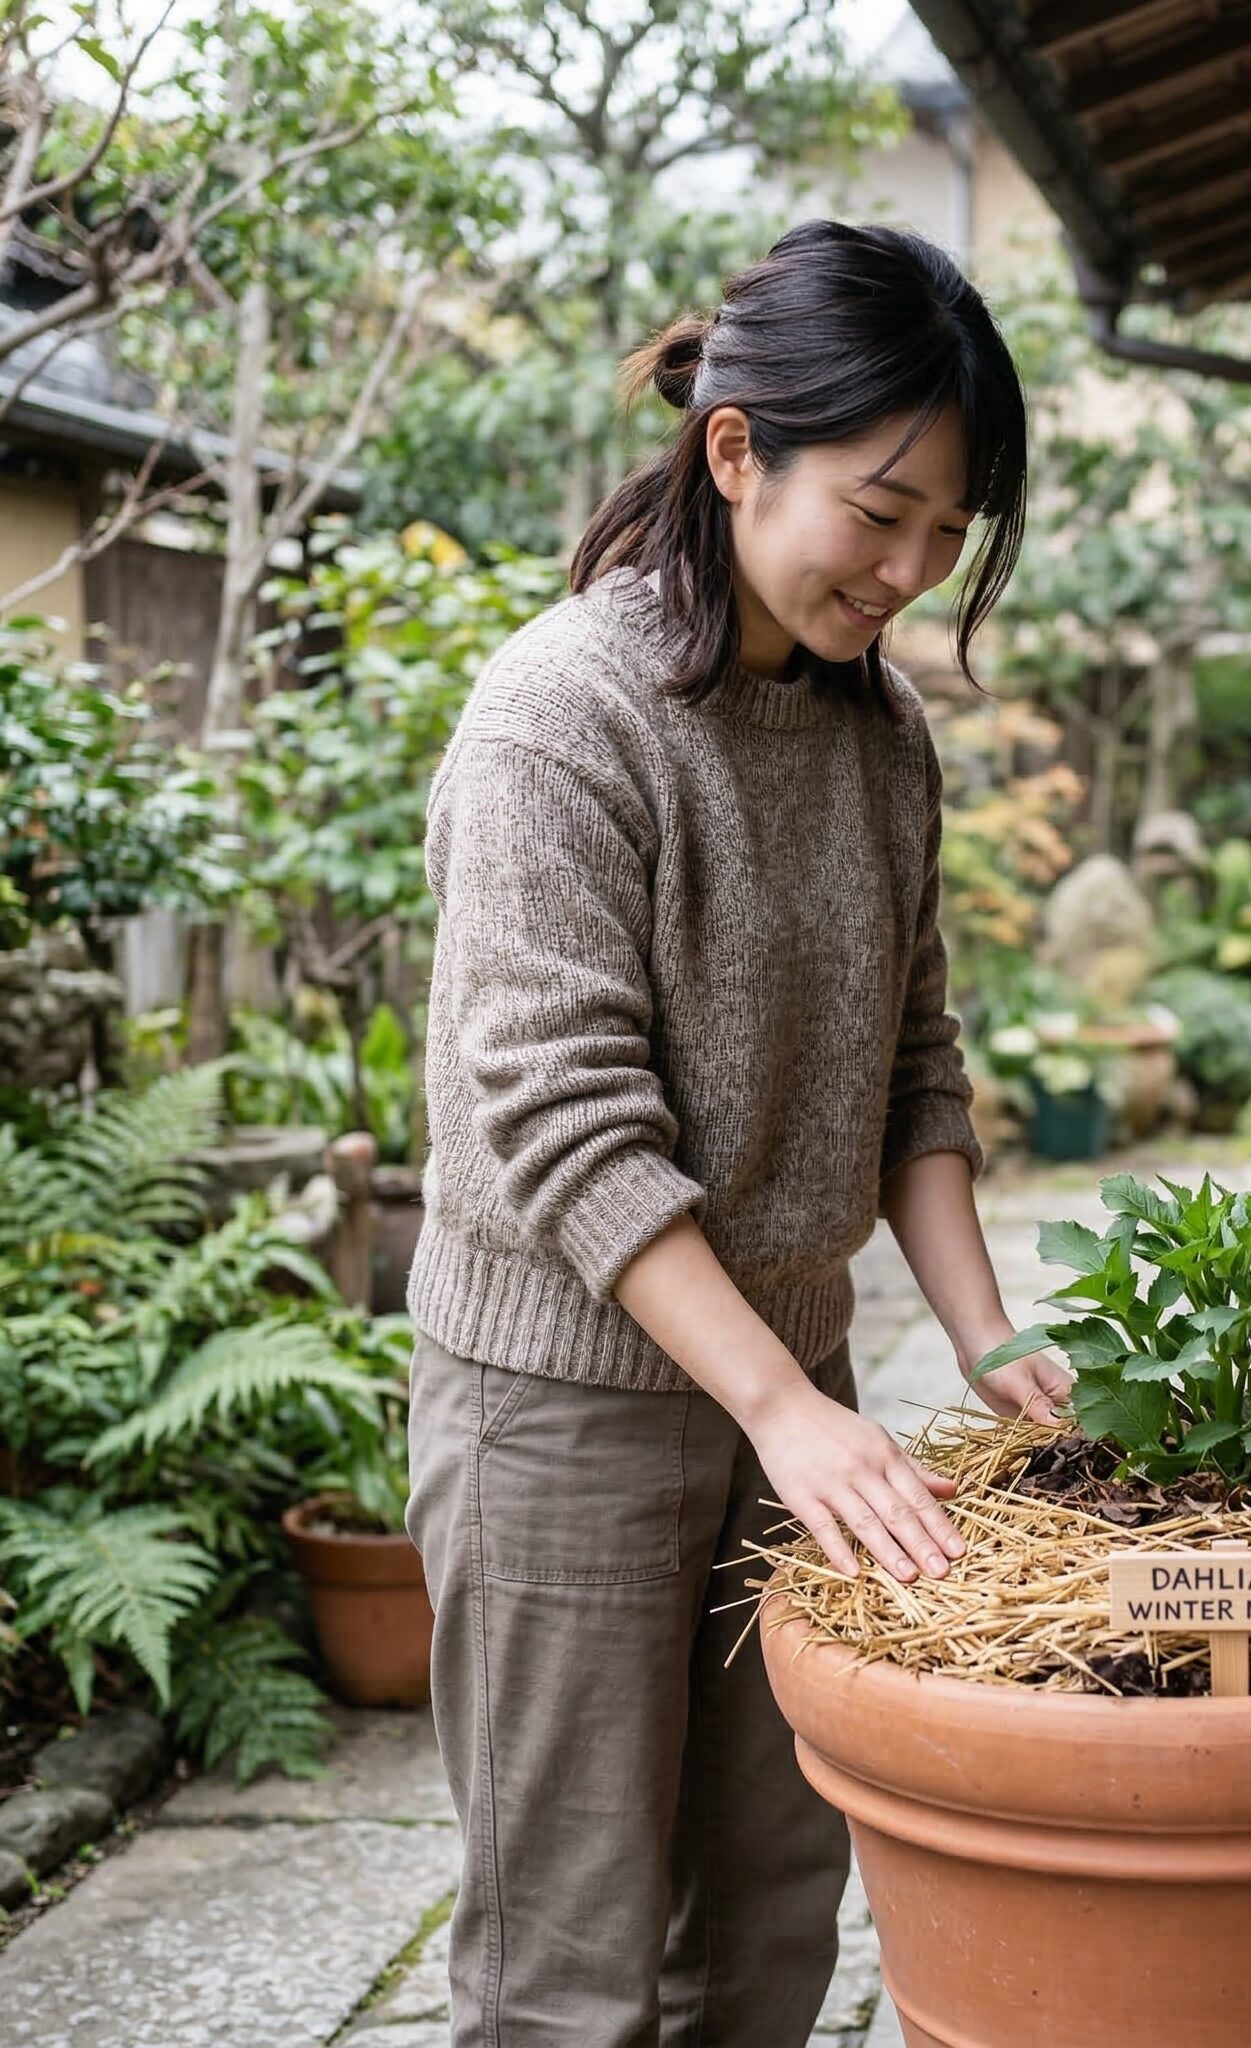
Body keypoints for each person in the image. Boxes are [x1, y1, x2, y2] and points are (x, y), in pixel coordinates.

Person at [403, 218, 1073, 2048]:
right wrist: (786, 1407)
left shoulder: (879, 737)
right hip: (562, 1404)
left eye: (950, 534)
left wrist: (982, 1332)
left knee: (770, 1931)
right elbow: (563, 1120)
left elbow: (913, 1068)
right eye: (883, 511)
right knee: (572, 1965)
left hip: (794, 1388)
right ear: (733, 449)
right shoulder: (566, 715)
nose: (913, 570)